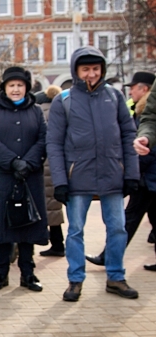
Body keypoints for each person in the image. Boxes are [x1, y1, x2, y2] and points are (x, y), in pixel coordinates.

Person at [47, 46, 139, 302]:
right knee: (76, 230)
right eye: (85, 69)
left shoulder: (114, 96)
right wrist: (61, 181)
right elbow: (53, 143)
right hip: (78, 177)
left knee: (118, 228)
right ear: (76, 70)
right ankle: (75, 280)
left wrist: (131, 173)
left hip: (112, 173)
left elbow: (128, 134)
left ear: (102, 70)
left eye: (95, 69)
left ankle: (116, 277)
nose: (91, 74)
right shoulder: (64, 100)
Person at [0, 66, 48, 292]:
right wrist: (12, 161)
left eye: (20, 85)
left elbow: (43, 138)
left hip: (28, 176)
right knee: (0, 228)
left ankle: (28, 273)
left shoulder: (35, 110)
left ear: (26, 87)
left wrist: (28, 162)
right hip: (0, 177)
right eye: (11, 85)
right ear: (5, 87)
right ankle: (1, 273)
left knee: (27, 226)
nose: (16, 89)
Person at [86, 72, 156, 271]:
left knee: (129, 219)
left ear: (144, 89)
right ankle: (108, 256)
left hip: (147, 177)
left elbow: (147, 151)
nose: (130, 90)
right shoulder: (140, 110)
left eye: (133, 87)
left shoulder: (144, 111)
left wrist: (132, 171)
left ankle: (108, 256)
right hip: (147, 176)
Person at [35, 85, 66, 257]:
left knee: (43, 207)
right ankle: (57, 243)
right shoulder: (59, 112)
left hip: (43, 165)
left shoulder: (41, 113)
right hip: (55, 166)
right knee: (54, 208)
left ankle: (55, 244)